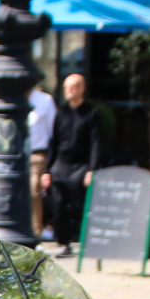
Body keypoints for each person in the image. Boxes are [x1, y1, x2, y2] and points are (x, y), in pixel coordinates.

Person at [44, 72, 101, 245]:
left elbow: (95, 143)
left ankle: (80, 237)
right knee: (58, 202)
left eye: (72, 87)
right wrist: (47, 170)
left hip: (80, 164)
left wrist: (92, 169)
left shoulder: (91, 113)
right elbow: (53, 141)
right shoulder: (61, 112)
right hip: (61, 163)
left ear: (82, 89)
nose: (68, 91)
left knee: (78, 202)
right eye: (66, 88)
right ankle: (62, 241)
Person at [28, 83, 56, 238]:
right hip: (15, 154)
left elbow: (53, 132)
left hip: (37, 155)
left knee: (34, 191)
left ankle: (36, 231)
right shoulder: (12, 97)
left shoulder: (45, 100)